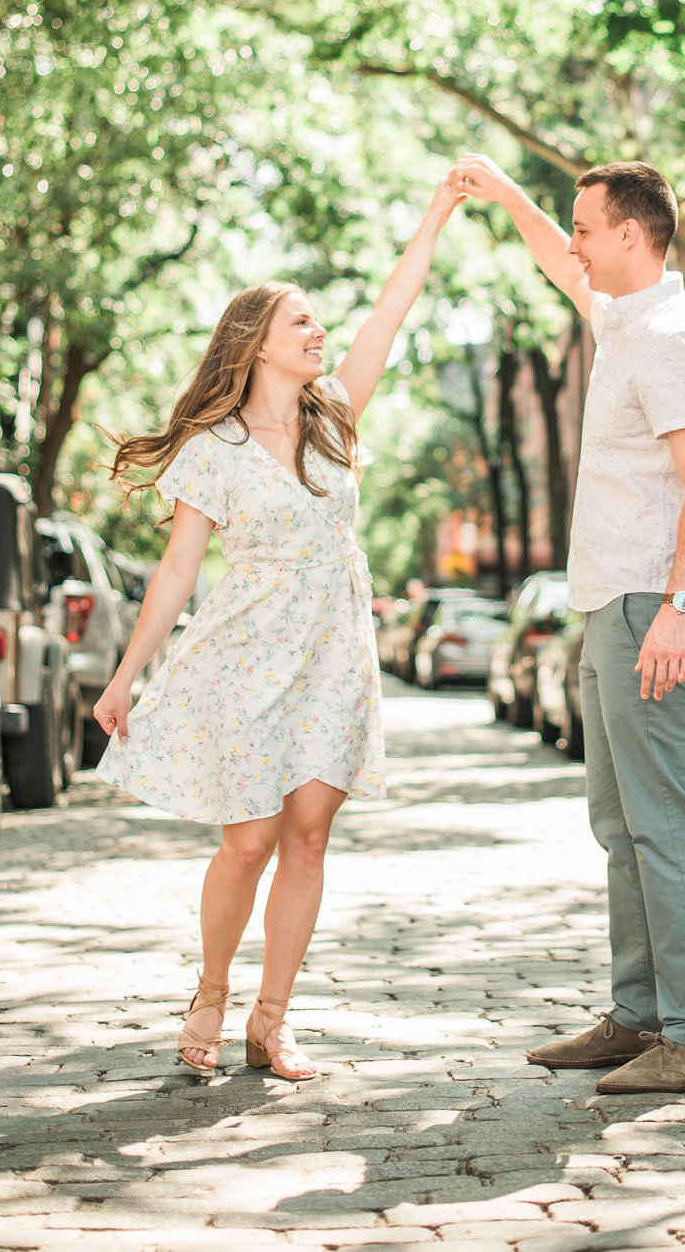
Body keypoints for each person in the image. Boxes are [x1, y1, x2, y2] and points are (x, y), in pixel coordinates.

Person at [93, 177, 462, 1080]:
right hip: (246, 653)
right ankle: (211, 991)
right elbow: (180, 571)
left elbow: (391, 310)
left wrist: (437, 214)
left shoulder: (334, 416)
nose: (318, 334)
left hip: (336, 655)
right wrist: (125, 674)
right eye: (300, 324)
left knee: (307, 838)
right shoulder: (210, 448)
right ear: (256, 342)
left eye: (316, 325)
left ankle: (272, 1020)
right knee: (248, 840)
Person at [452, 155, 685, 1095]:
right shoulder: (624, 317)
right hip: (609, 604)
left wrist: (678, 610)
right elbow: (552, 259)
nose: (572, 241)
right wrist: (500, 192)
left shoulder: (675, 339)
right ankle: (638, 1016)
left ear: (631, 232)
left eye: (586, 225)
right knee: (619, 822)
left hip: (657, 604)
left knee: (664, 820)